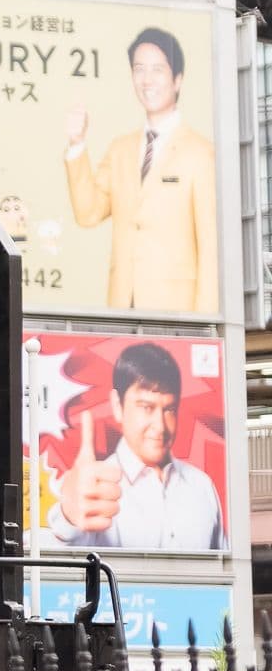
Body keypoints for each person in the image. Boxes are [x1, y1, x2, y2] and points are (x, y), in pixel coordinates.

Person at [63, 27, 218, 313]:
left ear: (178, 79)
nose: (147, 80)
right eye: (139, 69)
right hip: (123, 306)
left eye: (157, 69)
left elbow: (210, 247)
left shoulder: (201, 153)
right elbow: (88, 213)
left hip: (179, 312)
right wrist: (76, 144)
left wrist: (207, 321)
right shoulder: (120, 149)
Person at [49, 342, 227, 551]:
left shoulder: (202, 486)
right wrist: (68, 517)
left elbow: (223, 569)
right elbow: (54, 562)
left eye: (169, 409)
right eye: (146, 407)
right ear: (117, 405)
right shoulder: (95, 489)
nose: (160, 426)